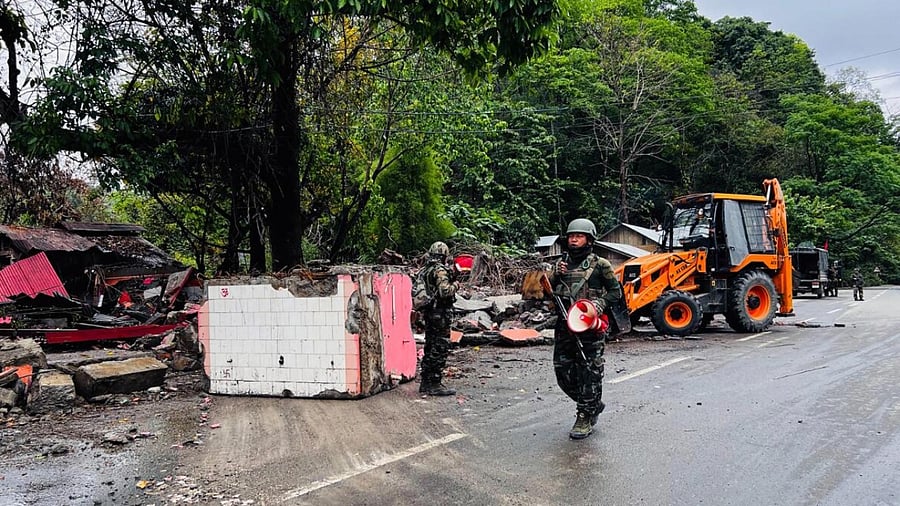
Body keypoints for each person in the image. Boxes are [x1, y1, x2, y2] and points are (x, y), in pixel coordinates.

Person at [549, 218, 623, 439]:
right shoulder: (560, 265)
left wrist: (599, 304)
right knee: (562, 371)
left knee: (589, 372)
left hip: (589, 326)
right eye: (571, 236)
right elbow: (544, 291)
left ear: (589, 239)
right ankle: (593, 404)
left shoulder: (601, 265)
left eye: (579, 236)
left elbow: (616, 292)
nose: (574, 239)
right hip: (564, 326)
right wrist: (554, 275)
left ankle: (585, 415)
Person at [419, 241, 460, 396]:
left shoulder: (424, 270)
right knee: (440, 347)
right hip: (440, 313)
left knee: (430, 346)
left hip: (429, 312)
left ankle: (425, 382)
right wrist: (456, 285)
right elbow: (445, 291)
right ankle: (434, 383)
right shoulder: (439, 270)